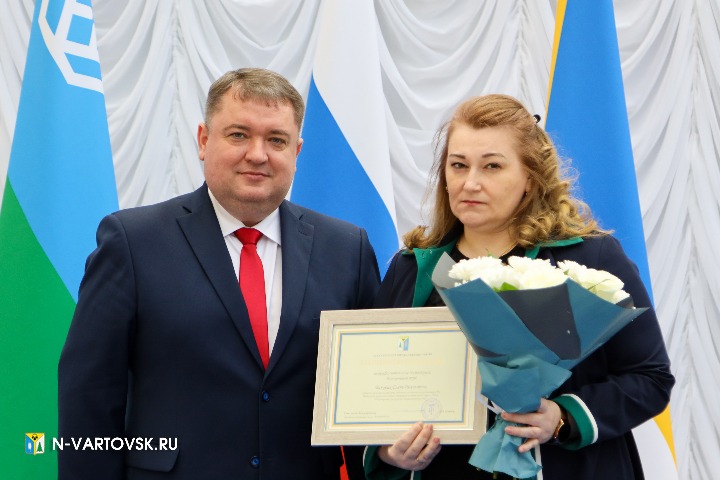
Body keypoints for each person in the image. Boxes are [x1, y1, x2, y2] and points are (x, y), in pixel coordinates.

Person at [58, 68, 380, 480]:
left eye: (276, 140)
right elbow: (88, 394)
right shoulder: (132, 242)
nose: (258, 154)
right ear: (203, 140)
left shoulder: (347, 249)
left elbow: (371, 385)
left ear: (297, 151)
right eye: (239, 135)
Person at [363, 94, 675, 479]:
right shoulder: (412, 269)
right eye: (458, 165)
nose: (470, 183)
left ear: (530, 177)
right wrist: (389, 452)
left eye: (492, 166)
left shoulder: (590, 258)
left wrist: (562, 417)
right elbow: (377, 389)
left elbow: (650, 377)